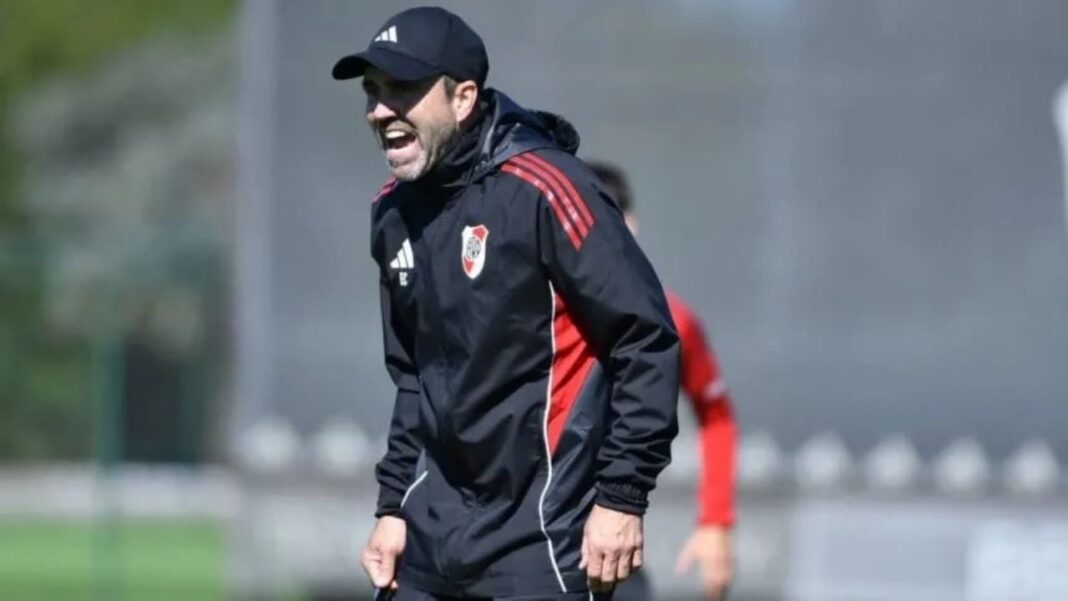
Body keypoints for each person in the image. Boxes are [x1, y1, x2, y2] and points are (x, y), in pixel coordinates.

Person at [332, 7, 680, 600]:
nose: (381, 110)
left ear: (463, 97)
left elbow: (644, 339)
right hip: (430, 539)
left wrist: (622, 496)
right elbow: (414, 377)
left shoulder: (548, 189)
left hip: (542, 535)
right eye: (374, 91)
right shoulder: (392, 214)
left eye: (403, 89)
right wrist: (393, 506)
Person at [588, 162, 737, 601]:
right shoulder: (524, 318)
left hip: (614, 551)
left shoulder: (671, 321)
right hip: (518, 549)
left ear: (631, 226)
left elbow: (716, 415)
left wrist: (715, 521)